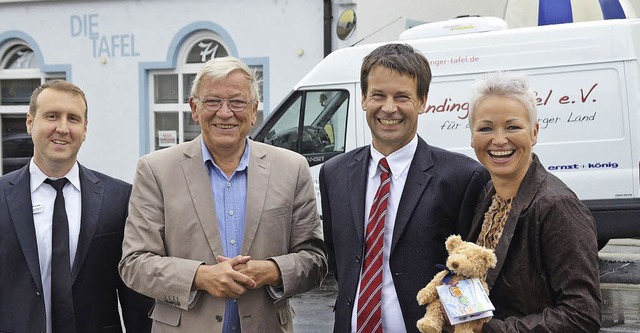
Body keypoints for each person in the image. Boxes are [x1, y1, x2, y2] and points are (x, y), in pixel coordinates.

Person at [119, 56, 327, 332]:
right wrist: (201, 276)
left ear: (253, 111)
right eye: (213, 101)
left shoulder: (292, 168)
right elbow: (135, 264)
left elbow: (314, 260)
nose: (225, 112)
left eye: (237, 102)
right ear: (195, 108)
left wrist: (269, 271)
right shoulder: (156, 170)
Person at [319, 43, 490, 333]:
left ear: (422, 101)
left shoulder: (463, 177)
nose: (389, 108)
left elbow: (472, 272)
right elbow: (338, 259)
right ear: (363, 98)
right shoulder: (334, 173)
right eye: (378, 95)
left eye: (402, 97)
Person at [0, 80, 153, 333]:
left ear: (84, 129)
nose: (62, 128)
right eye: (52, 116)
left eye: (73, 119)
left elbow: (136, 296)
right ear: (30, 123)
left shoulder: (119, 197)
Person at [466, 72, 601, 332]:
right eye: (485, 128)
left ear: (534, 132)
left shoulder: (556, 206)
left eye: (513, 126)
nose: (499, 139)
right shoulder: (488, 194)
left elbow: (582, 316)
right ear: (472, 138)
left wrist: (488, 330)